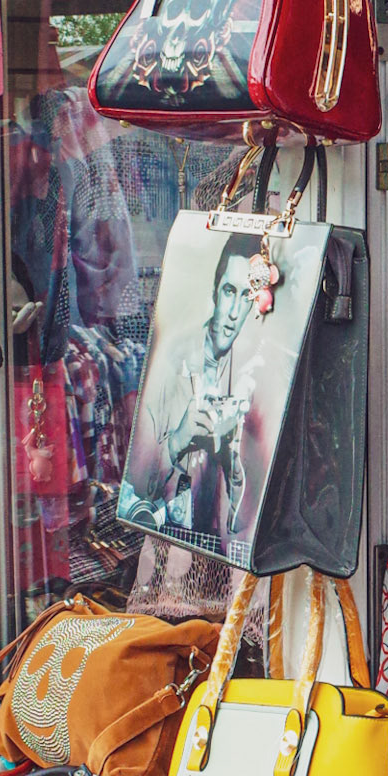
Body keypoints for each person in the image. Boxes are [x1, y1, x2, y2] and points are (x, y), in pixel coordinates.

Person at [121, 233, 262, 550]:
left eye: (247, 296)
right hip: (168, 553)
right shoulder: (173, 358)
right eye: (229, 291)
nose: (234, 311)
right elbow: (135, 489)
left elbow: (246, 529)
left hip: (223, 558)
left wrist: (234, 467)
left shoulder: (254, 374)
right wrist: (177, 442)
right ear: (215, 291)